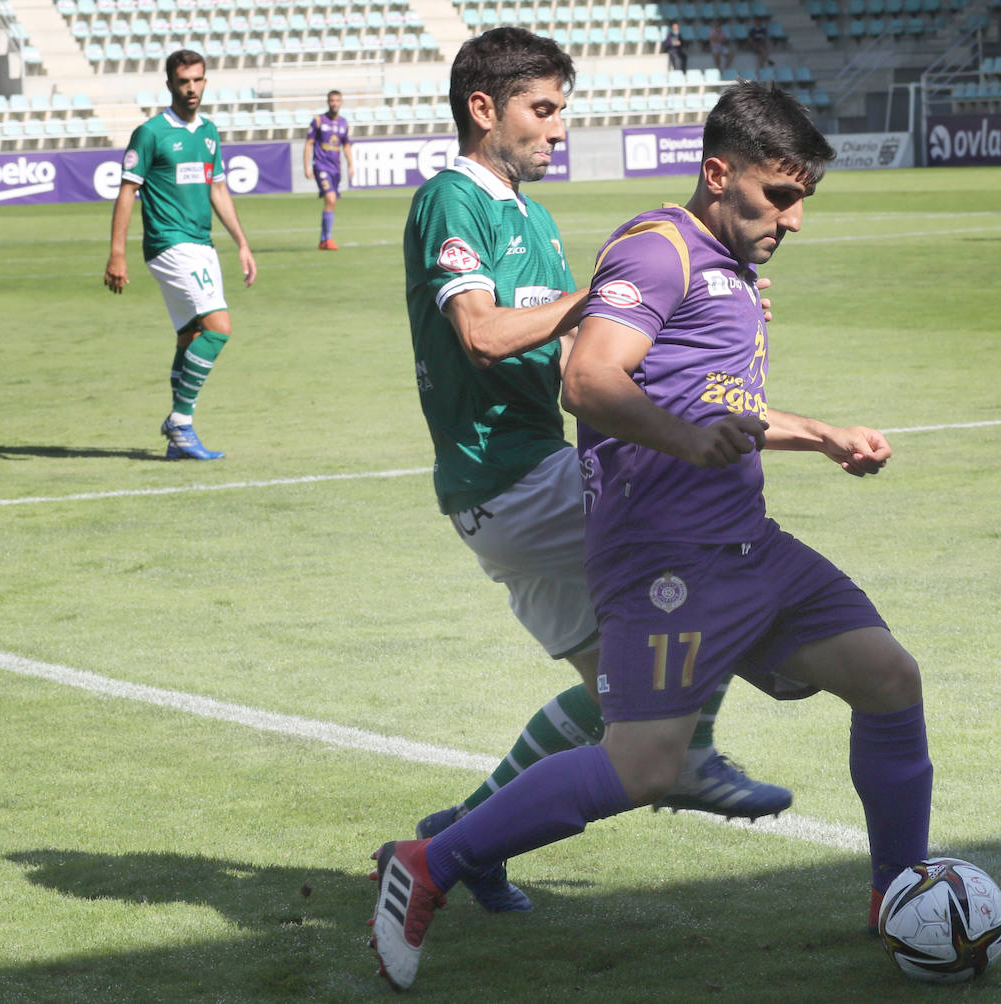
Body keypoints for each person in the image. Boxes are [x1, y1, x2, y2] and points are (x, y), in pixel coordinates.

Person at [368, 82, 933, 993]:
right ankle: (430, 862)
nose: (792, 219)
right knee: (644, 763)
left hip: (749, 544)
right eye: (778, 197)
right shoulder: (657, 249)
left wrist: (818, 433)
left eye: (803, 202)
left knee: (890, 678)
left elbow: (712, 403)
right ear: (720, 173)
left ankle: (898, 893)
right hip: (666, 558)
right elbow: (589, 381)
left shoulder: (727, 269)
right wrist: (683, 440)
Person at [397, 27, 791, 919]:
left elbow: (595, 343)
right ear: (483, 109)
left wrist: (698, 305)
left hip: (512, 485)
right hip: (513, 475)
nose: (558, 128)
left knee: (615, 701)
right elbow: (486, 335)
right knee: (711, 557)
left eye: (562, 111)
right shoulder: (454, 200)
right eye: (543, 110)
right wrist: (610, 289)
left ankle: (455, 842)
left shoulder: (529, 216)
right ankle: (693, 758)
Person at [104, 48, 256, 460]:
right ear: (170, 84)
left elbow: (218, 189)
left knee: (190, 335)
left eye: (198, 80)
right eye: (183, 81)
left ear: (206, 81)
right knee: (219, 327)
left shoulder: (208, 131)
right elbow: (127, 191)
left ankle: (178, 442)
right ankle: (181, 421)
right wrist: (117, 253)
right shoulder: (150, 133)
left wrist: (241, 242)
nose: (191, 88)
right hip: (169, 243)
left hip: (201, 244)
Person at [304, 89, 354, 250]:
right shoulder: (318, 121)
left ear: (341, 102)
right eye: (332, 100)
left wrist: (351, 164)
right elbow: (309, 144)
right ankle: (328, 239)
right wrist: (307, 166)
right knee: (331, 198)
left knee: (331, 202)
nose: (334, 103)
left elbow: (346, 145)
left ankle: (324, 239)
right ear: (328, 102)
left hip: (335, 169)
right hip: (321, 166)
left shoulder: (343, 123)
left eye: (337, 100)